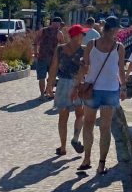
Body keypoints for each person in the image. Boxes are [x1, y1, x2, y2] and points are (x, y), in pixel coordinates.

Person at [72, 15, 126, 175]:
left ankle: (86, 159)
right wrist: (123, 88)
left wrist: (76, 85)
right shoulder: (119, 47)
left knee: (88, 124)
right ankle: (101, 164)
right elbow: (121, 70)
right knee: (105, 127)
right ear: (115, 29)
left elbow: (84, 67)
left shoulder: (91, 44)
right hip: (110, 89)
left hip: (92, 89)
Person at [46, 24, 87, 156]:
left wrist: (49, 85)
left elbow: (53, 67)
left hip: (63, 83)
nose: (84, 36)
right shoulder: (84, 50)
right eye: (82, 34)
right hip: (78, 84)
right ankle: (75, 138)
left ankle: (63, 147)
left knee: (63, 117)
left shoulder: (60, 49)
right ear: (77, 35)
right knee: (80, 114)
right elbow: (87, 69)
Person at [34, 17, 64, 99]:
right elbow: (62, 46)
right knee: (52, 76)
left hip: (42, 56)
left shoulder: (42, 30)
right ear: (58, 23)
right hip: (53, 58)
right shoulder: (59, 33)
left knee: (42, 77)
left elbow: (35, 41)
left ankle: (43, 94)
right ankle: (48, 92)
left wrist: (35, 52)